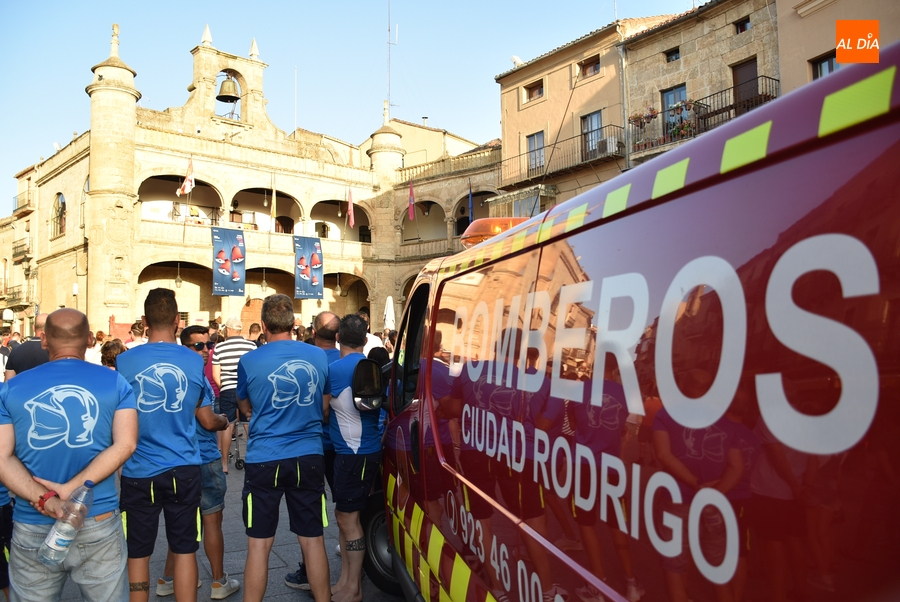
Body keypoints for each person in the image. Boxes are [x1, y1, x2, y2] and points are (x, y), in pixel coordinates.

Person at [0, 308, 138, 601]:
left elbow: (2, 457)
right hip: (96, 518)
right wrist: (70, 489)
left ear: (44, 341)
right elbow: (125, 445)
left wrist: (47, 498)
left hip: (32, 521)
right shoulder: (116, 383)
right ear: (90, 340)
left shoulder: (9, 389)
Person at [116, 288, 217, 602]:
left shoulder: (124, 360)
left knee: (138, 552)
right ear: (177, 321)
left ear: (144, 321)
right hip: (184, 465)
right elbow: (200, 410)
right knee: (185, 548)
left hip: (138, 470)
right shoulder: (194, 360)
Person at [236, 294, 331, 602]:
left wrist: (259, 413)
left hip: (265, 457)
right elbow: (325, 407)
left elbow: (244, 405)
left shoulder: (249, 360)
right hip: (308, 455)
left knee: (258, 545)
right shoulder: (318, 356)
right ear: (294, 324)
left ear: (263, 326)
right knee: (313, 540)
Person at [156, 326, 238, 599]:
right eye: (198, 346)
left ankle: (168, 578)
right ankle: (218, 581)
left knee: (182, 524)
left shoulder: (175, 376)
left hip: (178, 460)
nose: (205, 350)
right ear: (184, 347)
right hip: (202, 458)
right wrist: (223, 420)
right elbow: (206, 420)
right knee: (212, 521)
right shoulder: (195, 379)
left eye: (208, 344)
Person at [328, 313, 384, 602]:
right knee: (345, 517)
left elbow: (323, 411)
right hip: (365, 450)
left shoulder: (334, 370)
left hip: (352, 453)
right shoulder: (373, 366)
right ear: (365, 339)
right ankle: (344, 581)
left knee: (348, 520)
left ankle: (354, 589)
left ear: (338, 337)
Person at [285, 311, 341, 591]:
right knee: (347, 509)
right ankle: (351, 559)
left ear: (313, 331)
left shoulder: (307, 359)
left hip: (315, 445)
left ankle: (309, 571)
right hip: (345, 445)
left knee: (310, 518)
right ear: (339, 335)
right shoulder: (346, 359)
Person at [211, 317, 257, 475]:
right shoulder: (251, 346)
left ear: (228, 330)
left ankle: (224, 463)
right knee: (249, 423)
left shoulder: (220, 348)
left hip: (228, 390)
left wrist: (223, 387)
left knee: (227, 425)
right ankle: (255, 459)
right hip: (247, 390)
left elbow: (216, 375)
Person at [4, 314, 50, 381]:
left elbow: (8, 383)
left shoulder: (16, 351)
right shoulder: (56, 351)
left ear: (33, 328)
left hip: (22, 390)